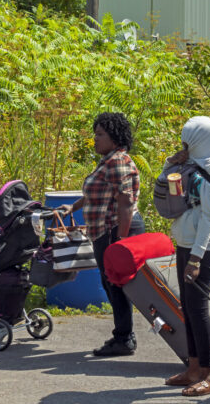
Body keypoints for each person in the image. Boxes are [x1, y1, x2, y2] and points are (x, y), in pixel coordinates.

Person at [56, 112, 146, 356]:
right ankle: (124, 335)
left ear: (114, 138)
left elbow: (126, 202)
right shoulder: (109, 161)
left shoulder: (117, 161)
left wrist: (121, 242)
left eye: (100, 134)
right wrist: (72, 207)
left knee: (115, 284)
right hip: (105, 232)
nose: (94, 139)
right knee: (111, 284)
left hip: (115, 230)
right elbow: (97, 191)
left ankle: (124, 338)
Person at [162, 116, 210, 397]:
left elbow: (208, 220)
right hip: (186, 243)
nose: (185, 147)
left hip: (203, 247)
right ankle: (193, 368)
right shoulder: (193, 165)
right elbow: (169, 185)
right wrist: (171, 162)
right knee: (186, 307)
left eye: (189, 143)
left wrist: (196, 259)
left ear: (203, 141)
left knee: (198, 309)